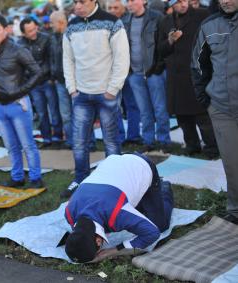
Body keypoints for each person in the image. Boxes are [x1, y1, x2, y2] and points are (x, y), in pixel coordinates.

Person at [61, 0, 129, 198]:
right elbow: (68, 59)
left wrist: (112, 89)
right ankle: (80, 178)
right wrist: (72, 89)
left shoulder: (112, 22)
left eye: (82, 2)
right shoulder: (71, 26)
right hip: (81, 94)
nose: (77, 6)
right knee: (79, 141)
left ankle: (114, 181)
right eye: (75, 2)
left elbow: (122, 58)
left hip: (106, 93)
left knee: (111, 141)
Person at [63, 153, 174, 263]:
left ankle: (164, 188)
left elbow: (152, 233)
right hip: (111, 164)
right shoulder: (69, 213)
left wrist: (113, 251)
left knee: (160, 225)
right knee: (139, 208)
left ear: (98, 241)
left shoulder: (117, 213)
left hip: (141, 164)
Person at [0, 14, 44, 188]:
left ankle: (36, 177)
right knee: (10, 145)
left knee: (27, 144)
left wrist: (19, 92)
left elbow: (37, 72)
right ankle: (17, 177)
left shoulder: (18, 50)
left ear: (6, 29)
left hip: (18, 104)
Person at [191, 0, 238, 224]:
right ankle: (236, 210)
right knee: (232, 163)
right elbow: (198, 65)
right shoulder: (209, 25)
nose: (225, 1)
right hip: (222, 108)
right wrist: (206, 100)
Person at [158, 0, 218, 158]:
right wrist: (170, 40)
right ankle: (192, 146)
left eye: (184, 0)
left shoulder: (202, 15)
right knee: (183, 117)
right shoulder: (165, 22)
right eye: (178, 2)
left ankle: (212, 148)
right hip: (176, 77)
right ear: (171, 4)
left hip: (198, 73)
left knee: (202, 115)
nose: (183, 4)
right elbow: (161, 50)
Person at [123, 0, 171, 152]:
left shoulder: (156, 17)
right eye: (127, 1)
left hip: (154, 72)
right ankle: (148, 140)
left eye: (132, 0)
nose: (129, 4)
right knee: (144, 110)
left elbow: (163, 44)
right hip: (135, 74)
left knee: (160, 108)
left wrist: (158, 67)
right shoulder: (125, 20)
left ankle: (164, 140)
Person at [19, 17, 63, 148]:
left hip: (47, 80)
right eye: (29, 31)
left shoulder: (46, 38)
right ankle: (46, 138)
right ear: (23, 33)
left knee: (54, 110)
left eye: (34, 28)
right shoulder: (20, 44)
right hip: (34, 84)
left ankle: (58, 136)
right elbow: (22, 65)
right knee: (41, 112)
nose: (33, 32)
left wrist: (49, 77)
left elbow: (51, 59)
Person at [107, 0, 142, 145]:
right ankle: (119, 137)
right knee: (114, 107)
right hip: (112, 72)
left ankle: (133, 136)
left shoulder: (130, 20)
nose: (112, 10)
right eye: (110, 7)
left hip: (129, 70)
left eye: (116, 7)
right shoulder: (104, 23)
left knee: (132, 105)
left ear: (123, 8)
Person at [49, 11, 73, 149]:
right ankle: (70, 141)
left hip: (74, 82)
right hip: (60, 82)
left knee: (80, 114)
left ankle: (88, 142)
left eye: (53, 22)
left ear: (61, 22)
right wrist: (53, 76)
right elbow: (53, 59)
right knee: (66, 115)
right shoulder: (53, 38)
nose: (51, 25)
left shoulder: (73, 35)